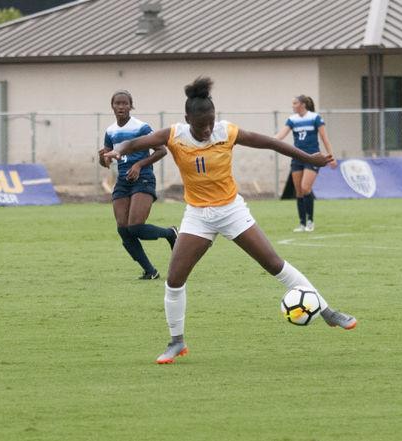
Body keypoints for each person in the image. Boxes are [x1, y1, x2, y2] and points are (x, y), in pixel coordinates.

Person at [105, 77, 357, 364]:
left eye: (211, 123)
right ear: (188, 120)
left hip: (231, 211)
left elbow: (270, 143)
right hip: (198, 216)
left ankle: (328, 313)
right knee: (174, 280)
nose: (208, 129)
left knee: (275, 265)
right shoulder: (174, 134)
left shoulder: (226, 131)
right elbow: (137, 142)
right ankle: (176, 342)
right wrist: (118, 151)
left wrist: (308, 158)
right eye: (202, 126)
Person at [98, 90, 178, 280]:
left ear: (131, 106)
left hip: (143, 178)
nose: (121, 107)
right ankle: (150, 271)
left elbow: (161, 151)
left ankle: (170, 233)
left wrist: (139, 164)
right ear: (112, 106)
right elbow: (107, 162)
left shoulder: (141, 127)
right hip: (123, 181)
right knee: (123, 229)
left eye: (125, 103)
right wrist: (102, 157)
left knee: (135, 227)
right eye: (117, 103)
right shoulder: (110, 132)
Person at [275, 95, 337, 232]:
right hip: (297, 158)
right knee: (299, 191)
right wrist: (266, 142)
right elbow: (280, 136)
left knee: (305, 188)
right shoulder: (292, 119)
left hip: (313, 157)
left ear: (302, 104)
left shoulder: (315, 118)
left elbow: (324, 138)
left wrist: (331, 157)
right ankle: (302, 224)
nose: (293, 106)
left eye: (295, 103)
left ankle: (310, 222)